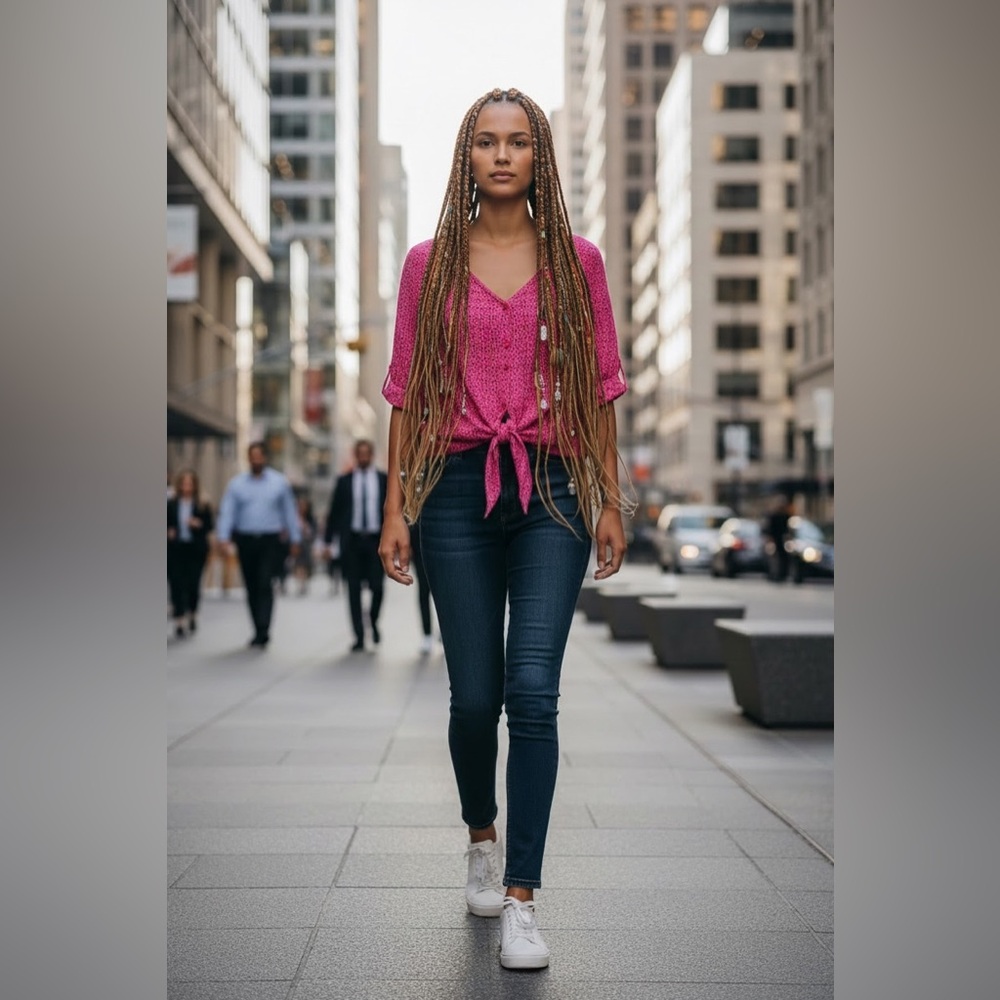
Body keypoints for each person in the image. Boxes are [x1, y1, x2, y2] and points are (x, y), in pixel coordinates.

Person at [378, 88, 630, 970]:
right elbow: (405, 393)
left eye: (518, 142)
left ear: (540, 157)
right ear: (466, 156)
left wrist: (607, 498)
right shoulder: (428, 264)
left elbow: (601, 388)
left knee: (533, 691)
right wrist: (395, 510)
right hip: (452, 488)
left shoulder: (578, 262)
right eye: (485, 142)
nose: (500, 155)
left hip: (554, 487)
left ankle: (522, 895)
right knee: (474, 697)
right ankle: (480, 834)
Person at [215, 441, 301, 648]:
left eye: (259, 456)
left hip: (270, 541)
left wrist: (295, 538)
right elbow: (228, 512)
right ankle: (257, 628)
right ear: (248, 458)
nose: (256, 460)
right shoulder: (237, 484)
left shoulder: (279, 482)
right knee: (252, 585)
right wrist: (223, 536)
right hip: (245, 540)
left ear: (265, 458)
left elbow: (289, 512)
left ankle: (264, 628)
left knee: (265, 582)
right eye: (252, 457)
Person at [324, 439, 388, 652]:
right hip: (351, 542)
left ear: (371, 455)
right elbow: (334, 513)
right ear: (355, 455)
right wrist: (327, 541)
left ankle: (373, 620)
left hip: (375, 542)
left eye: (366, 453)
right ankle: (359, 636)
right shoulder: (344, 481)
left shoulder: (382, 480)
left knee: (378, 587)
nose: (362, 457)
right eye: (359, 453)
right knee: (352, 590)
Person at [167, 468, 214, 637]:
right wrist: (169, 531)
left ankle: (192, 613)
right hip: (176, 549)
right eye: (184, 483)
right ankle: (179, 618)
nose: (186, 487)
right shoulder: (171, 503)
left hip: (195, 549)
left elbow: (210, 525)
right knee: (176, 583)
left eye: (190, 484)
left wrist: (198, 524)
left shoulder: (202, 503)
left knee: (193, 583)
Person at [408, 520, 435, 655]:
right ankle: (427, 634)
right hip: (419, 548)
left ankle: (444, 630)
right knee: (423, 591)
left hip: (443, 542)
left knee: (445, 594)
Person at [291, 494, 318, 596]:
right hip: (296, 543)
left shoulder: (310, 519)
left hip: (306, 544)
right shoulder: (294, 517)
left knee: (305, 564)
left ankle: (304, 582)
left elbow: (314, 532)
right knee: (298, 564)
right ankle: (300, 583)